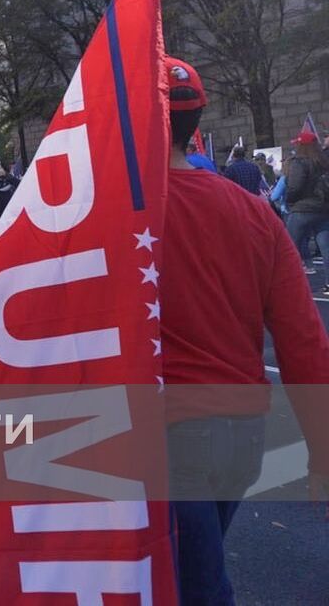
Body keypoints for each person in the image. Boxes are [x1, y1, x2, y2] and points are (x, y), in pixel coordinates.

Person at [158, 57, 329, 604]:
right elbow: (304, 342)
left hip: (168, 434)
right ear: (198, 119)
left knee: (195, 587)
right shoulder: (257, 214)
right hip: (242, 434)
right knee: (190, 575)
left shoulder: (115, 217)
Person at [284, 129, 329, 287]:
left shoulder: (299, 161)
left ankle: (288, 284)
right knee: (326, 247)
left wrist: (289, 201)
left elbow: (295, 187)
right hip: (323, 209)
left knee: (288, 248)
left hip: (302, 209)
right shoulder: (324, 162)